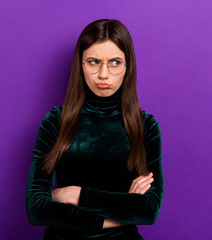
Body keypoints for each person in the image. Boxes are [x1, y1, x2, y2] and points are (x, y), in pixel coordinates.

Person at [25, 19, 164, 240]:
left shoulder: (146, 126)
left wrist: (75, 194)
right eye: (93, 62)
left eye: (115, 62)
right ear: (80, 65)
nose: (103, 74)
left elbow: (148, 210)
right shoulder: (55, 122)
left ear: (128, 67)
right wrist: (123, 210)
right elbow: (37, 209)